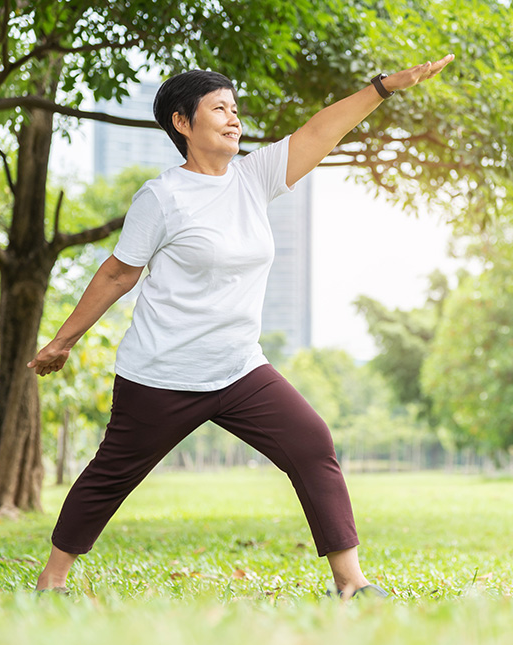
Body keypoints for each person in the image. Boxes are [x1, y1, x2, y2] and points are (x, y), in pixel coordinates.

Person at [29, 54, 455, 600]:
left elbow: (320, 131)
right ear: (182, 123)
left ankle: (351, 583)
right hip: (162, 373)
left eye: (235, 108)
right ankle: (52, 579)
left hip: (238, 369)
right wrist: (62, 342)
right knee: (112, 473)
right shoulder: (161, 197)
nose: (234, 119)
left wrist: (382, 87)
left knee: (311, 442)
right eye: (219, 109)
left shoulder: (253, 178)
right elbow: (118, 273)